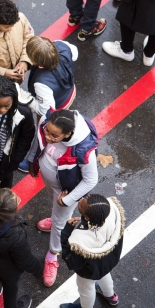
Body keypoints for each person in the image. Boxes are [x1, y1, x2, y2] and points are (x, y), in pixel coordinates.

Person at [27, 109, 98, 287]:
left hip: (67, 191)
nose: (49, 136)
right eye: (47, 132)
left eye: (55, 136)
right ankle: (57, 219)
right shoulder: (47, 122)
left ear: (68, 134)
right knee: (56, 209)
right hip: (52, 183)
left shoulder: (83, 149)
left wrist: (67, 200)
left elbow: (91, 180)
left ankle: (53, 254)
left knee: (60, 223)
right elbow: (39, 142)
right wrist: (32, 163)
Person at [17, 36, 78, 173]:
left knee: (43, 134)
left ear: (37, 62)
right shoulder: (61, 46)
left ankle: (32, 160)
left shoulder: (42, 83)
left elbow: (46, 110)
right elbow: (75, 52)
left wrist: (28, 100)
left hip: (56, 106)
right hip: (69, 92)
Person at [59, 194, 124, 308]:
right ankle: (110, 296)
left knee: (86, 288)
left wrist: (66, 231)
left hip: (89, 270)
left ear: (88, 217)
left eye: (82, 203)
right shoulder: (110, 214)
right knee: (104, 275)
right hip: (106, 263)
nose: (81, 199)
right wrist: (84, 221)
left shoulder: (79, 239)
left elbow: (71, 261)